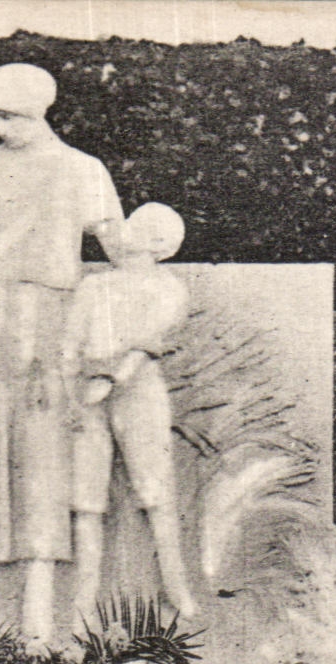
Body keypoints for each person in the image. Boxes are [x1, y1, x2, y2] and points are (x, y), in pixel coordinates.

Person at [0, 63, 125, 644]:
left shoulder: (85, 170)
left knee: (41, 458)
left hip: (48, 323)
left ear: (39, 110)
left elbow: (120, 249)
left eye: (8, 117)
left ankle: (39, 615)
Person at [65, 202, 199, 629]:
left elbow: (147, 343)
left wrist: (110, 378)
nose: (126, 232)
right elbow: (69, 344)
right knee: (87, 499)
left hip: (138, 393)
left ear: (161, 244)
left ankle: (177, 589)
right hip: (87, 394)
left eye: (140, 227)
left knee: (155, 491)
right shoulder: (93, 287)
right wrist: (75, 392)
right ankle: (83, 600)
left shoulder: (169, 289)